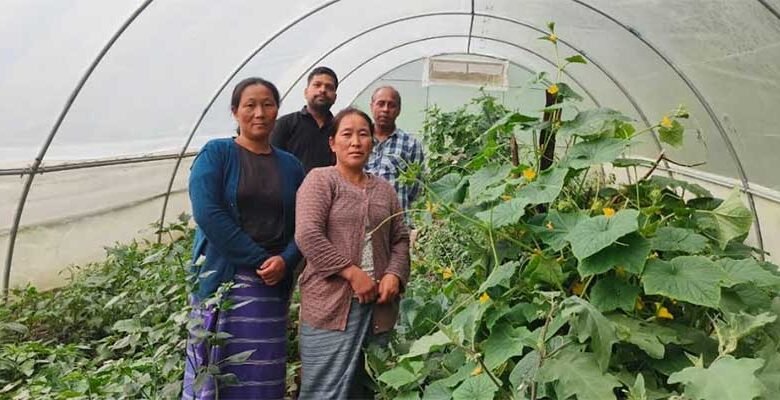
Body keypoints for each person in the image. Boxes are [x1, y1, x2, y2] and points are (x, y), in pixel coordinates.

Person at [183, 77, 304, 400]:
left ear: (277, 110)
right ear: (235, 111)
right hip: (224, 281)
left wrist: (286, 260)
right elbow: (208, 212)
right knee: (216, 369)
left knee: (261, 370)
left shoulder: (291, 166)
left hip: (270, 287)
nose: (259, 113)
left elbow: (305, 224)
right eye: (250, 105)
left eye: (268, 104)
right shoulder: (217, 153)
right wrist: (261, 259)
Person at [295, 108, 410, 399]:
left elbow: (400, 238)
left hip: (378, 307)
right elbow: (307, 234)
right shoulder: (320, 180)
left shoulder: (384, 190)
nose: (356, 142)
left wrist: (394, 275)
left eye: (363, 135)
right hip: (330, 307)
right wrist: (351, 273)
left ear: (372, 142)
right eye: (347, 134)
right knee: (323, 389)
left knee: (370, 385)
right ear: (332, 143)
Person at [366, 86, 425, 218]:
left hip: (396, 221)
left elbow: (415, 188)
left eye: (391, 105)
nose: (385, 109)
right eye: (381, 104)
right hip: (359, 221)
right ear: (371, 106)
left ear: (399, 110)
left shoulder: (410, 144)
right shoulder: (359, 140)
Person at [272, 66, 339, 173]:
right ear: (306, 92)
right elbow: (272, 161)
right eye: (317, 85)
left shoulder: (338, 128)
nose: (322, 90)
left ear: (335, 97)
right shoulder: (285, 124)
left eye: (329, 87)